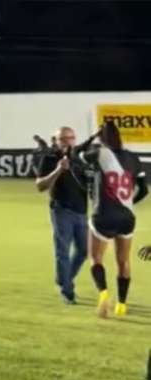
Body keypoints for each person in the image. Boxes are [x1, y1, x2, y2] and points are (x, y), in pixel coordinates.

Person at [82, 120, 148, 317]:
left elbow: (78, 153)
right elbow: (143, 190)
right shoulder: (134, 159)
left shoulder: (100, 153)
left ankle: (103, 293)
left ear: (102, 136)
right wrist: (128, 201)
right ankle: (122, 304)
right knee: (124, 262)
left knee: (95, 258)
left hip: (104, 214)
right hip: (126, 216)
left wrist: (92, 138)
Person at [34, 126, 90, 304]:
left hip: (81, 211)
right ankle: (68, 291)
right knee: (63, 252)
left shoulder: (79, 159)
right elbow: (40, 186)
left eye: (71, 138)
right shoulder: (49, 158)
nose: (68, 142)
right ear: (56, 141)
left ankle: (64, 278)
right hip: (61, 210)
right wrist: (58, 170)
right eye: (63, 139)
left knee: (83, 250)